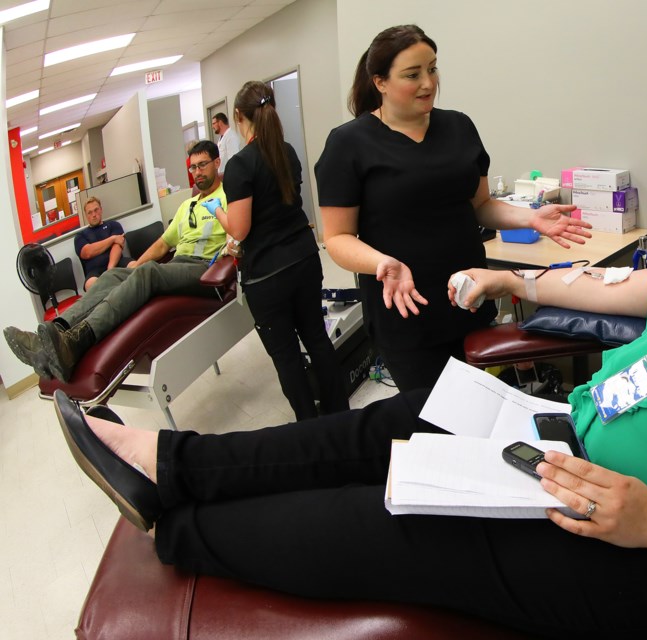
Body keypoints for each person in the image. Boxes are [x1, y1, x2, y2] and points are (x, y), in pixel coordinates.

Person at [54, 111, 647, 638]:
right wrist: (520, 279)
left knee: (392, 521)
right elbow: (627, 288)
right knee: (386, 423)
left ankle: (175, 538)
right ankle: (173, 467)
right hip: (570, 445)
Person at [314, 25, 592, 392]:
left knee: (480, 408)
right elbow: (337, 238)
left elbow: (482, 206)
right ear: (379, 81)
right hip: (406, 310)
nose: (428, 82)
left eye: (432, 68)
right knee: (434, 421)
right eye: (413, 75)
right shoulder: (348, 143)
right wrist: (381, 263)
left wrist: (531, 218)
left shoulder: (458, 127)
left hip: (469, 299)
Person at [4, 141, 229, 383]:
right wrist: (135, 264)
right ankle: (56, 334)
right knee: (113, 275)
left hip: (205, 269)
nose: (196, 172)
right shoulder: (187, 205)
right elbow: (163, 243)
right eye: (193, 167)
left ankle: (77, 341)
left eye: (202, 165)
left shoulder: (228, 197)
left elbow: (236, 233)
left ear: (217, 162)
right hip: (178, 264)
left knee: (148, 273)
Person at [206, 81, 348, 420]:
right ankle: (341, 416)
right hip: (304, 260)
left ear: (239, 116)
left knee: (286, 357)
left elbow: (240, 230)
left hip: (268, 276)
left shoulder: (241, 165)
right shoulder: (287, 151)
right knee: (316, 338)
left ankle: (310, 427)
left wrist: (218, 211)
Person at [75, 197, 131, 290]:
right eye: (90, 212)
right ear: (86, 215)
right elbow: (88, 252)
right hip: (94, 271)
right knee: (90, 285)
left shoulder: (114, 225)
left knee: (135, 265)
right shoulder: (80, 236)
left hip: (117, 263)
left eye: (96, 210)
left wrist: (110, 269)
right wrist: (112, 239)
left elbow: (118, 245)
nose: (94, 214)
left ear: (101, 210)